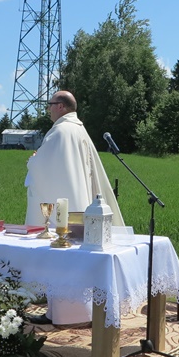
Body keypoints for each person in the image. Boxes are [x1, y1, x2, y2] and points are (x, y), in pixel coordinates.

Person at [24, 91, 126, 325]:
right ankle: (80, 312)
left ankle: (63, 315)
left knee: (60, 260)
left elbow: (42, 166)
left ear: (60, 106)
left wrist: (32, 160)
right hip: (79, 203)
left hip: (63, 209)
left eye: (50, 104)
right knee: (77, 260)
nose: (48, 109)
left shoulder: (60, 131)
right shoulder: (79, 130)